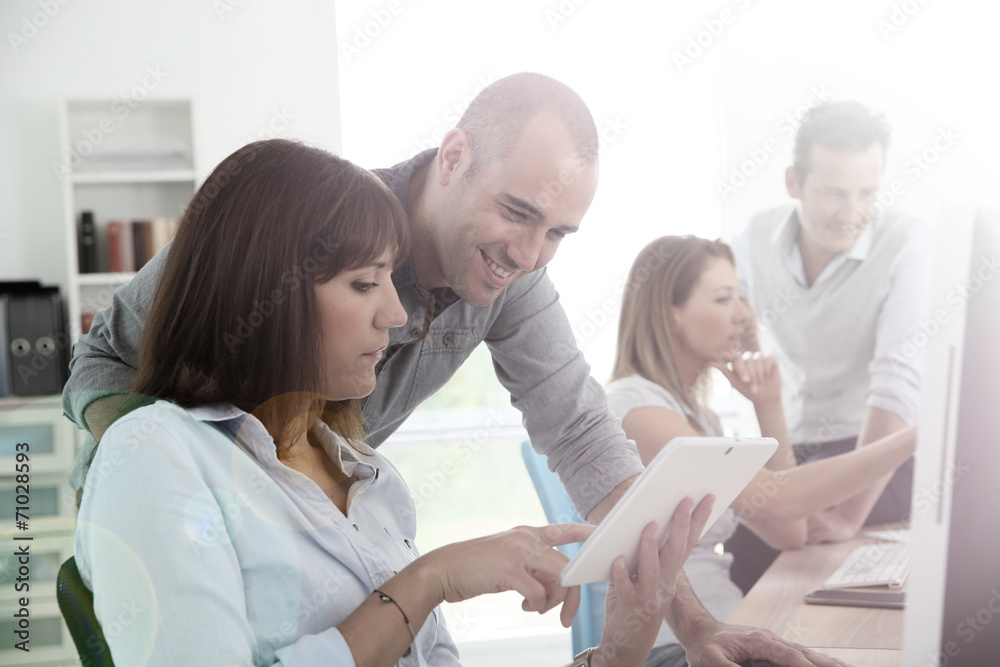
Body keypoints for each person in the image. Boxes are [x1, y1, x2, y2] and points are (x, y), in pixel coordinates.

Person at [64, 73, 849, 665]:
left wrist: (686, 627)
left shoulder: (373, 483)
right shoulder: (297, 226)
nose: (530, 254)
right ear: (453, 158)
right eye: (517, 212)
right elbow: (100, 363)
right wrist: (219, 471)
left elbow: (584, 436)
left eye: (559, 233)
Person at [606, 235, 917, 667]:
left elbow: (789, 532)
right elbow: (780, 498)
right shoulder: (636, 407)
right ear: (669, 313)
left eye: (741, 296)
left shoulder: (700, 419)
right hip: (671, 645)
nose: (744, 314)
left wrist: (768, 404)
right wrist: (918, 434)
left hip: (727, 625)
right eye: (723, 299)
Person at [726, 100, 931, 592]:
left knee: (784, 549)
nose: (852, 214)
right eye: (834, 194)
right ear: (793, 182)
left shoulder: (908, 243)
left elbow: (897, 384)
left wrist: (848, 515)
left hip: (881, 453)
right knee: (745, 546)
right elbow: (723, 319)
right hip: (797, 448)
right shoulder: (755, 237)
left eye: (867, 193)